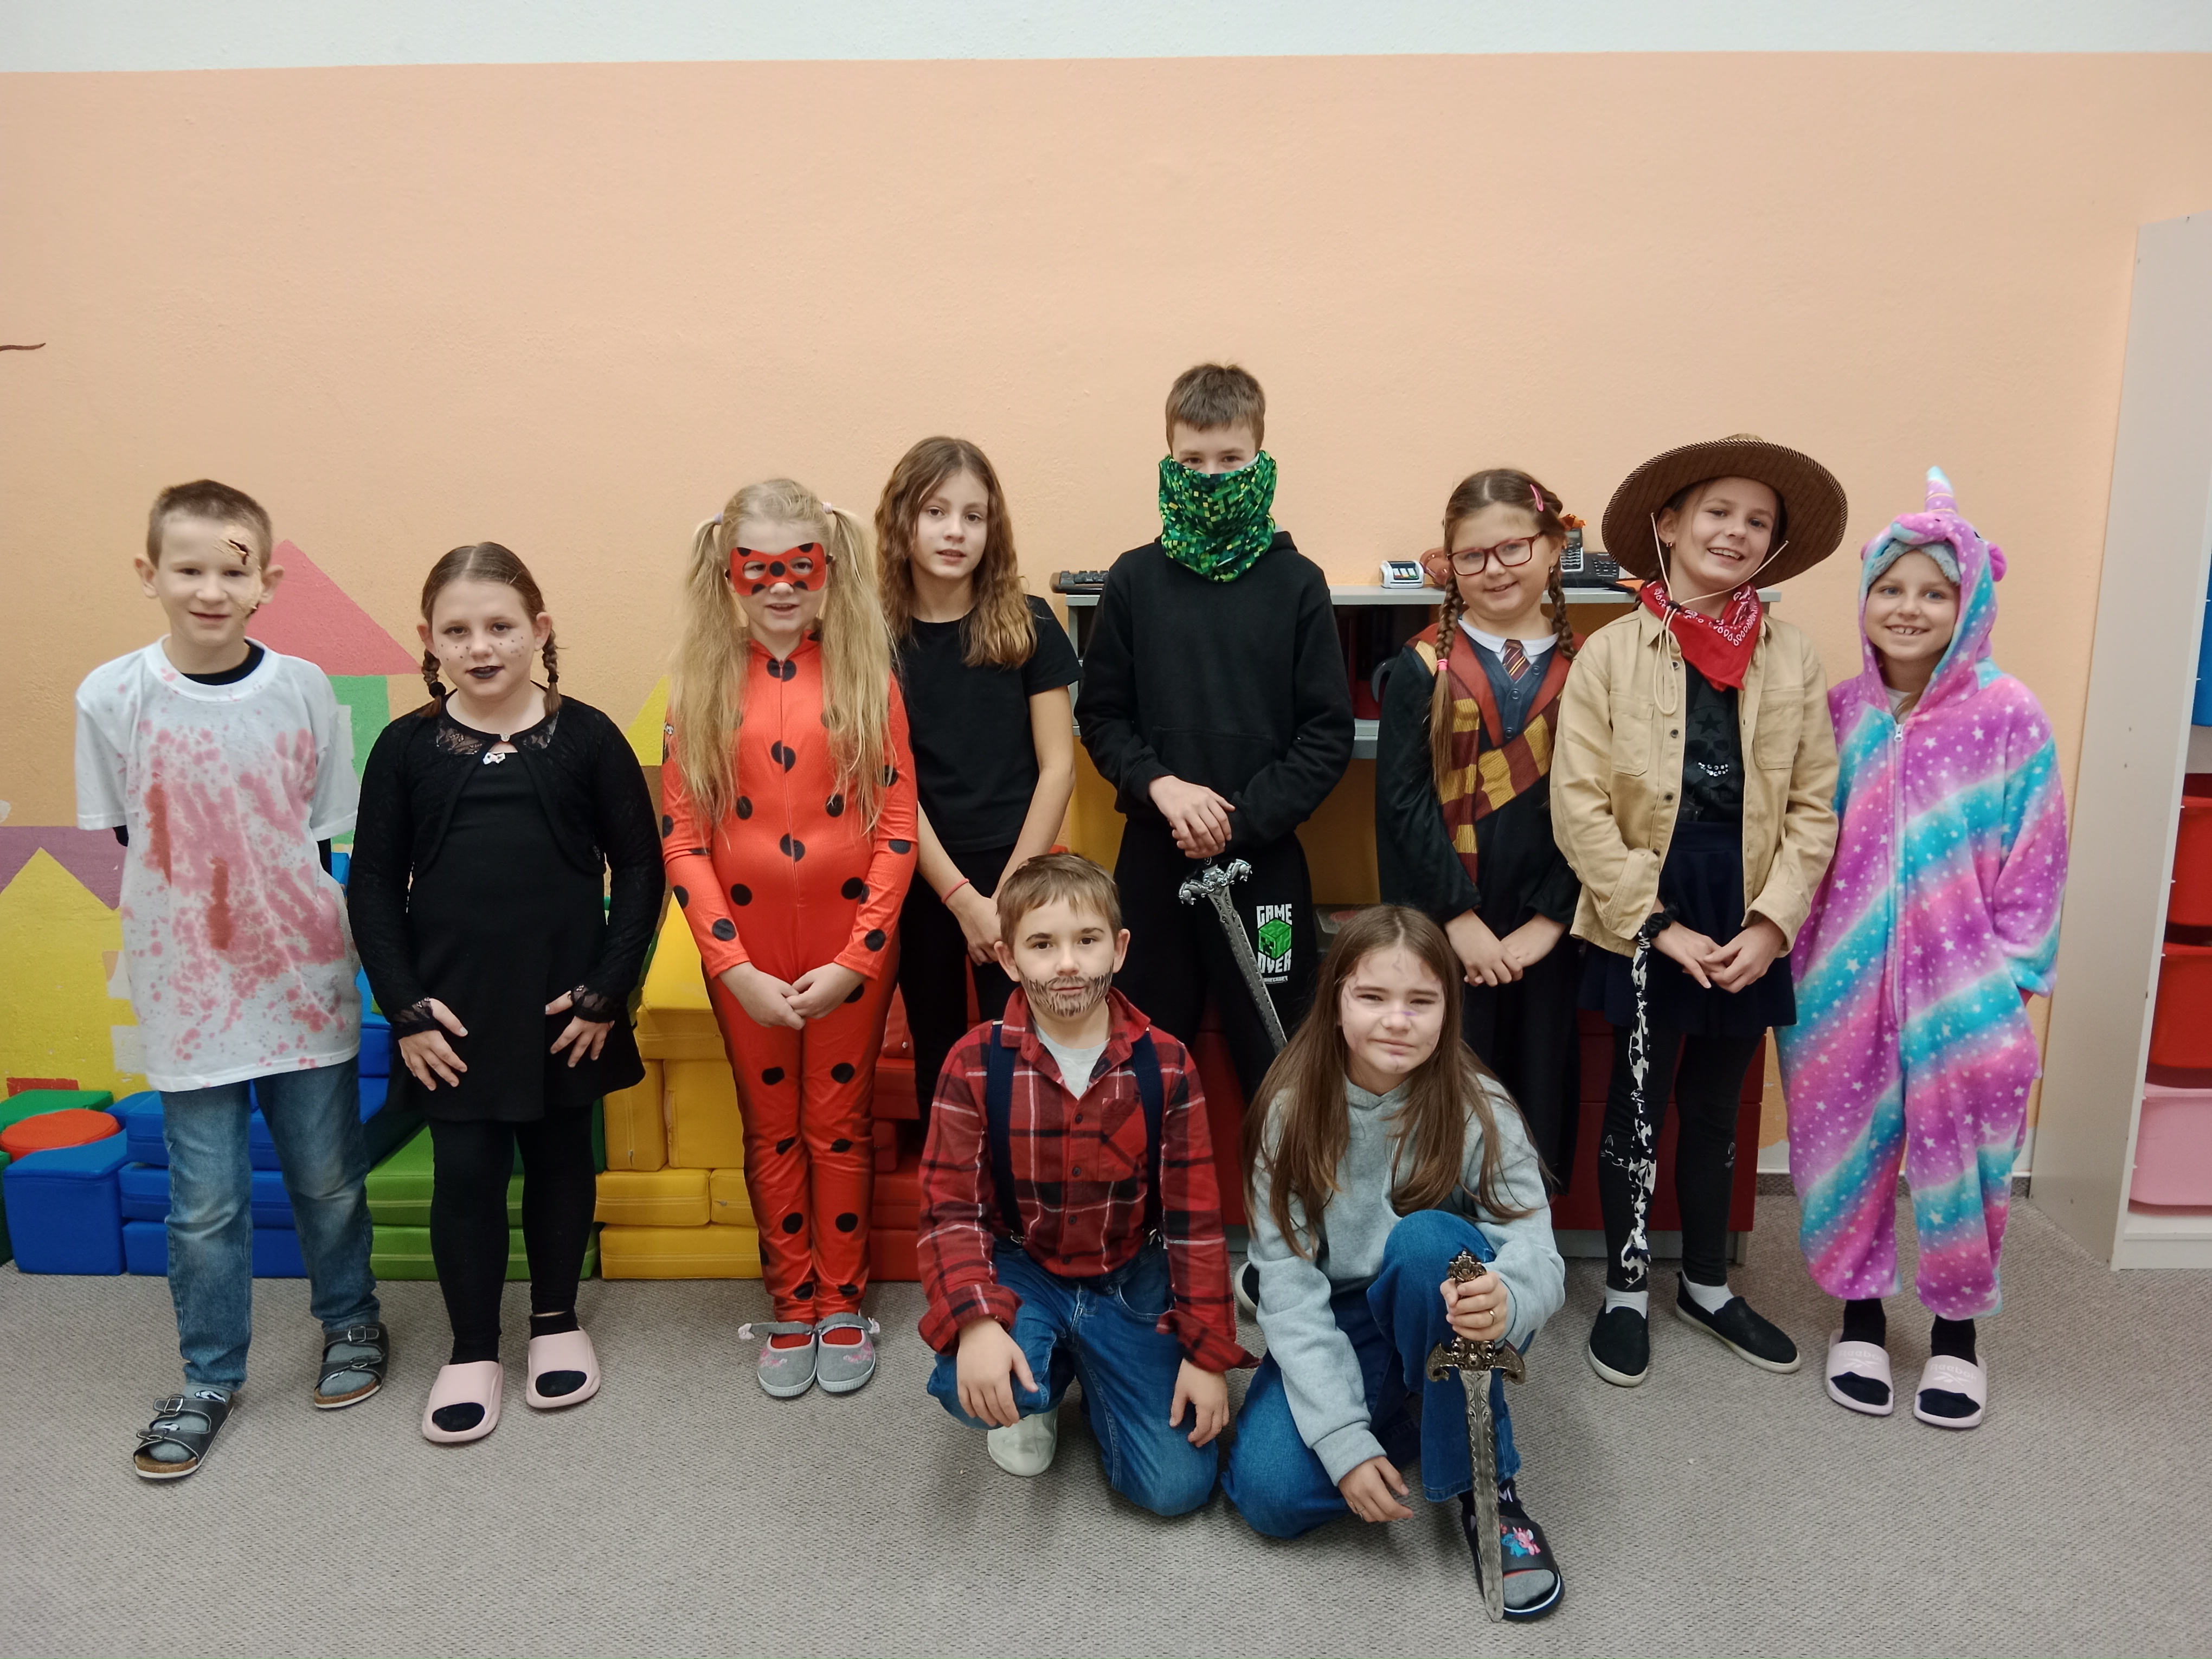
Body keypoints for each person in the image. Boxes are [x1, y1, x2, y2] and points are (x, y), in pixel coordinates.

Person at [75, 479, 384, 1481]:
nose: (210, 589)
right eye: (189, 568)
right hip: (188, 991)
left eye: (232, 570)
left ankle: (351, 1320)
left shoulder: (304, 690)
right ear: (150, 574)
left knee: (327, 1179)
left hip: (303, 977)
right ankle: (209, 1374)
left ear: (267, 583)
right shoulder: (110, 696)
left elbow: (321, 835)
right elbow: (134, 835)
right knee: (203, 1202)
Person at [348, 543, 661, 1443]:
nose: (480, 647)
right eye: (458, 631)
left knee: (561, 1158)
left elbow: (642, 868)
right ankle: (473, 1348)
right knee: (467, 1173)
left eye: (500, 626)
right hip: (451, 1013)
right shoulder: (406, 748)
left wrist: (607, 992)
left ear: (539, 629)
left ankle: (556, 1322)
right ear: (429, 639)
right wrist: (406, 1009)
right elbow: (374, 885)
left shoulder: (589, 737)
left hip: (567, 1009)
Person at [1552, 434, 1844, 1389]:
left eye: (1758, 521)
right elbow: (1579, 805)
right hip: (1645, 905)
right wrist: (1655, 923)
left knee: (1718, 1108)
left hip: (1746, 904)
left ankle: (1710, 1285)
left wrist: (1771, 925)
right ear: (1670, 526)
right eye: (1718, 512)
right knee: (1636, 1105)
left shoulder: (1793, 657)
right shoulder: (1608, 653)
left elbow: (1814, 804)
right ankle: (1628, 1289)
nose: (1736, 532)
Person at [1777, 468, 2067, 1430]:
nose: (1908, 608)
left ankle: (1955, 1335)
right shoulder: (1837, 715)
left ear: (1969, 602)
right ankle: (1858, 1317)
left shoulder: (2008, 714)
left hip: (1966, 989)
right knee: (1843, 1155)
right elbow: (1798, 842)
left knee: (1968, 1165)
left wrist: (2012, 979)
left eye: (1934, 592)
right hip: (1839, 983)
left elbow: (2038, 856)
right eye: (1890, 588)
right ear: (1865, 599)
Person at [1223, 906, 1565, 1619]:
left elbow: (1538, 1251)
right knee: (1268, 1495)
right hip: (1341, 1314)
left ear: (1448, 1011)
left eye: (1421, 1002)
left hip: (1453, 1297)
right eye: (1373, 997)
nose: (1397, 1021)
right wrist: (1344, 1442)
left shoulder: (1480, 1107)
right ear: (1336, 1004)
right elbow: (1288, 1289)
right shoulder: (1289, 1113)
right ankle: (1427, 1407)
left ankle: (1488, 1486)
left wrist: (1509, 1294)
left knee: (1426, 1243)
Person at [662, 478, 917, 1398]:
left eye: (799, 567)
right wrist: (730, 965)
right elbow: (681, 838)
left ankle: (843, 1301)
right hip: (745, 955)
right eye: (759, 568)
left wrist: (859, 958)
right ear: (727, 571)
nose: (779, 586)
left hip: (853, 950)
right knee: (771, 1128)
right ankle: (792, 1300)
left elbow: (898, 828)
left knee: (838, 1125)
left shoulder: (868, 679)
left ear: (829, 568)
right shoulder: (698, 687)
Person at [916, 853, 1249, 1512]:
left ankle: (1098, 1377)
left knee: (1177, 1489)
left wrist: (1207, 1353)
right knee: (967, 1384)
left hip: (1129, 1276)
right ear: (1010, 959)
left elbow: (1195, 1224)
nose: (1067, 963)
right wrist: (977, 1324)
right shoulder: (973, 1061)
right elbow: (950, 1212)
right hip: (1026, 1266)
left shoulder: (1168, 1064)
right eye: (1043, 945)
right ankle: (1039, 1382)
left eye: (1087, 940)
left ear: (1119, 949)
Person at [1077, 363, 1354, 1102]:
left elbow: (1326, 734)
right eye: (1193, 460)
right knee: (1138, 1062)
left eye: (1230, 459)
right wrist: (1162, 788)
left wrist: (1236, 822)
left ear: (1259, 456)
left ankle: (1285, 1188)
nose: (1211, 477)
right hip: (1153, 866)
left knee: (1281, 1061)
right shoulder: (1133, 580)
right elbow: (1101, 716)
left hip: (1267, 870)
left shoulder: (1298, 583)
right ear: (1170, 459)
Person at [1377, 467, 1584, 1181]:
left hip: (1547, 925)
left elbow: (1606, 807)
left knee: (1538, 1088)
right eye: (1473, 555)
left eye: (1513, 548)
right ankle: (1442, 1230)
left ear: (1553, 548)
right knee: (1443, 1089)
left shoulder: (1589, 668)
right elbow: (1402, 805)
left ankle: (1527, 1230)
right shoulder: (1423, 666)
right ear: (1451, 565)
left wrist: (1549, 922)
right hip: (1447, 926)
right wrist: (1458, 920)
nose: (1494, 569)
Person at [876, 436, 1079, 1119]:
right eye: (935, 512)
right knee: (940, 1060)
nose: (955, 532)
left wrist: (1006, 899)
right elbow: (888, 783)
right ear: (901, 521)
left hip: (1020, 873)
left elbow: (1058, 769)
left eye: (973, 516)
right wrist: (963, 901)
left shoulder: (1030, 623)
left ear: (994, 529)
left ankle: (1025, 1185)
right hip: (920, 874)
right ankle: (953, 1187)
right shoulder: (872, 639)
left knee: (1028, 1060)